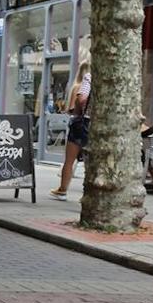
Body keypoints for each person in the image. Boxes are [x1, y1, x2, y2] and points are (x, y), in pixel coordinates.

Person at [51, 60, 91, 201]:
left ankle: (63, 190)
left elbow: (80, 100)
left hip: (82, 123)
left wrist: (81, 111)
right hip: (97, 125)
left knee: (69, 160)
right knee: (90, 162)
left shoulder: (88, 78)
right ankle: (90, 194)